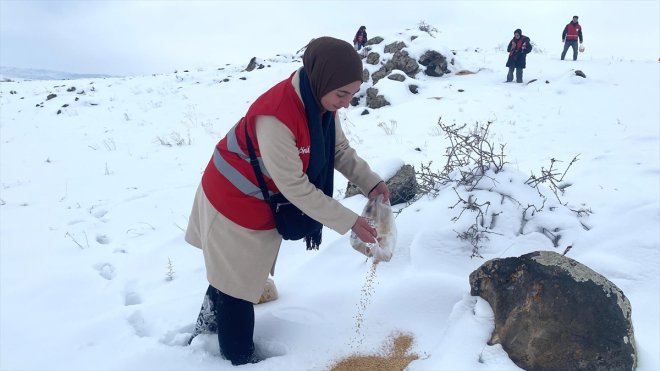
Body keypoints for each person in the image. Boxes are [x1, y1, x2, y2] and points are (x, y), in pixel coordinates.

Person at [184, 36, 390, 366]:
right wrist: (350, 220)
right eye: (342, 94)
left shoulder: (319, 103)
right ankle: (237, 358)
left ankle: (205, 329)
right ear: (322, 79)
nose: (347, 103)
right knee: (237, 289)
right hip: (233, 201)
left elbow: (338, 150)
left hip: (261, 199)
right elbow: (295, 187)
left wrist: (372, 182)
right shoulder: (276, 116)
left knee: (231, 276)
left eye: (352, 94)